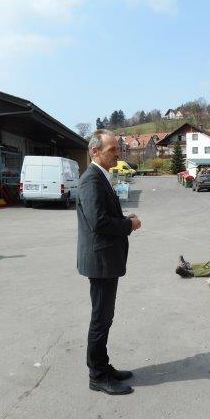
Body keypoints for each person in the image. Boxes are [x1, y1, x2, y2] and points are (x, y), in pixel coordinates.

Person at [77, 129, 142, 396]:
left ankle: (103, 366)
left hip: (105, 258)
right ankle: (97, 375)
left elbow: (103, 214)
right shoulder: (91, 180)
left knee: (105, 316)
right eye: (112, 149)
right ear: (95, 152)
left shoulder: (100, 176)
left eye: (117, 148)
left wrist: (123, 216)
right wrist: (129, 224)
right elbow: (99, 222)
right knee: (101, 319)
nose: (118, 153)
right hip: (100, 260)